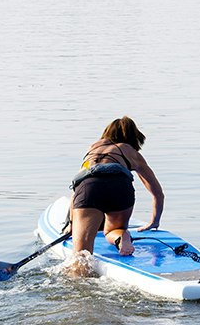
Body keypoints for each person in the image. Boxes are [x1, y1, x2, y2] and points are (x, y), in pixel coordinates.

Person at [65, 116, 165, 276]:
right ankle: (122, 237)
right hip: (120, 185)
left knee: (81, 256)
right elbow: (157, 193)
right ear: (134, 137)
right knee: (114, 228)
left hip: (89, 187)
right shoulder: (131, 153)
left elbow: (77, 186)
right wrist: (154, 221)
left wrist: (72, 223)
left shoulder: (93, 148)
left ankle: (79, 290)